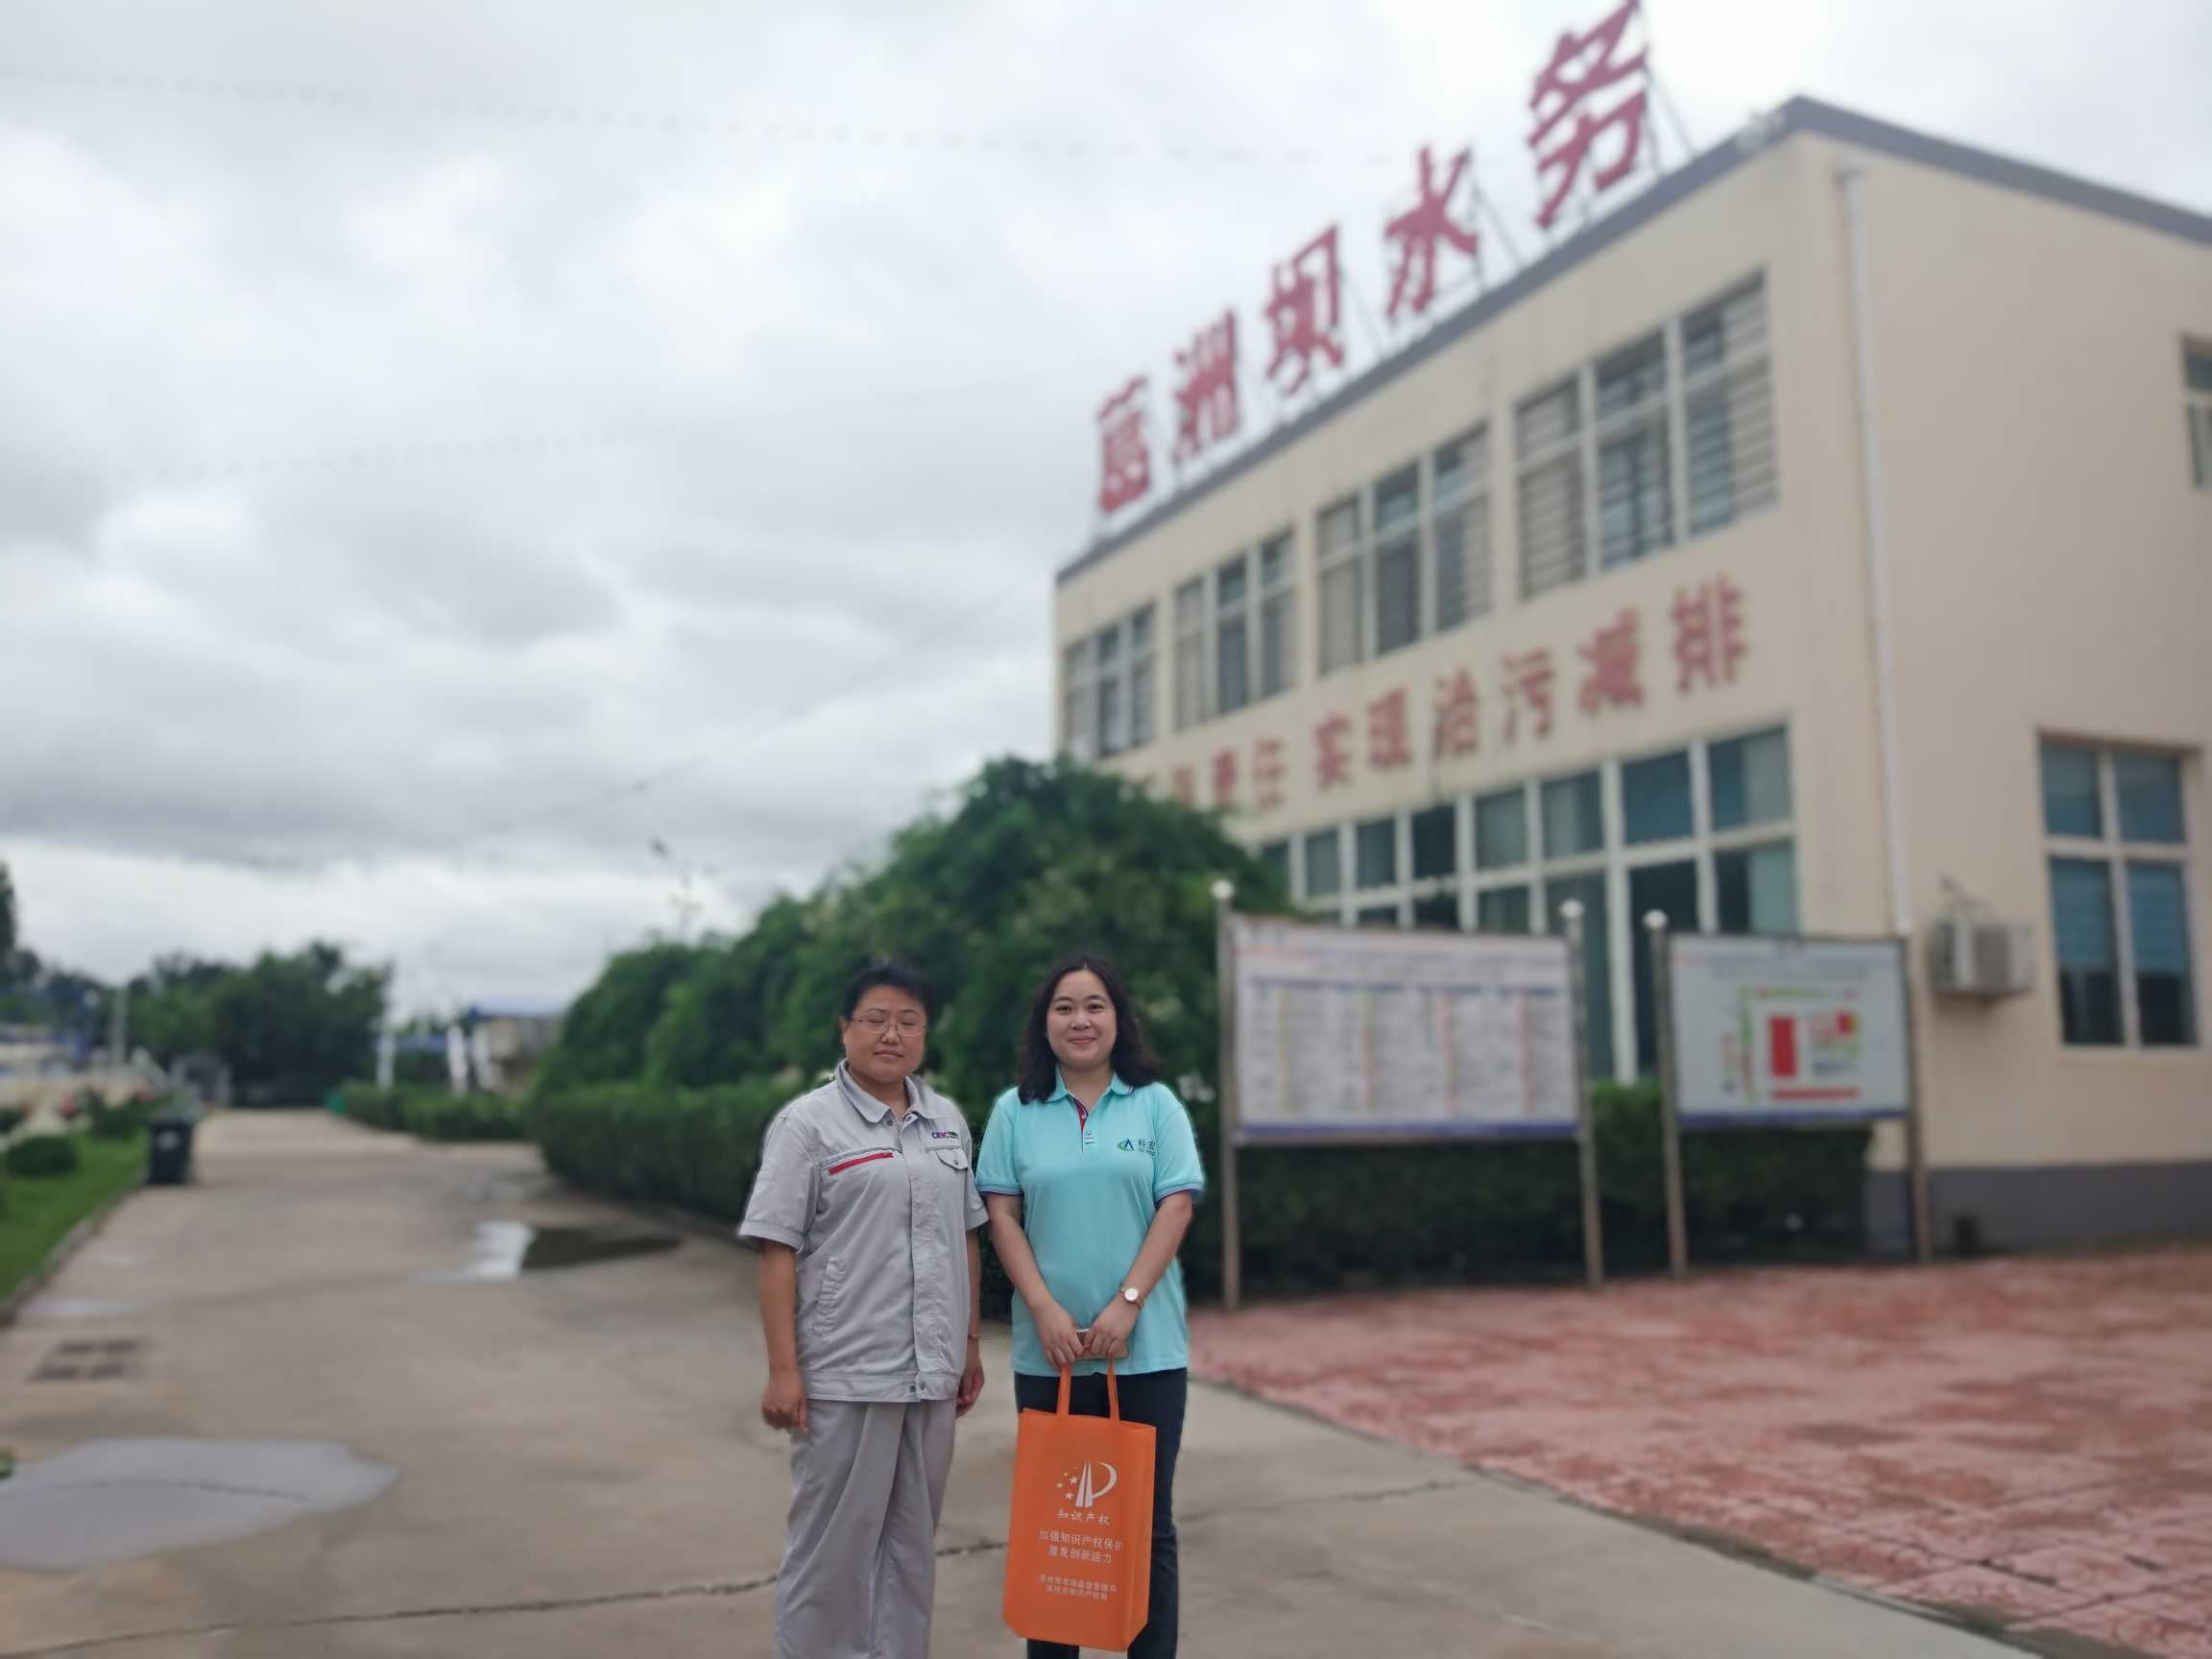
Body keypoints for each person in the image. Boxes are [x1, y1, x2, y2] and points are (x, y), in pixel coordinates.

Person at [739, 960, 989, 1659]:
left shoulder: (946, 1121)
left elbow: (965, 1237)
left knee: (911, 1547)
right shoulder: (807, 1125)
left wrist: (968, 1345)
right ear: (845, 1028)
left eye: (909, 1021)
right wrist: (783, 1370)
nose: (892, 1034)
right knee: (832, 1554)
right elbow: (777, 1249)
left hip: (932, 1371)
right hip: (846, 1370)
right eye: (875, 1019)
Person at [977, 952, 1205, 1659]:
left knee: (1147, 1527)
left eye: (1095, 1005)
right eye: (1065, 1007)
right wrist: (1042, 1308)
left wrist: (1128, 1303)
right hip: (1050, 1356)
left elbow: (1176, 1204)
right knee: (1057, 1530)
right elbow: (1001, 1214)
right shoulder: (1014, 1112)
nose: (1081, 1020)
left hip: (1147, 1352)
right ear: (1044, 1023)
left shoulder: (1155, 1105)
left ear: (1118, 1018)